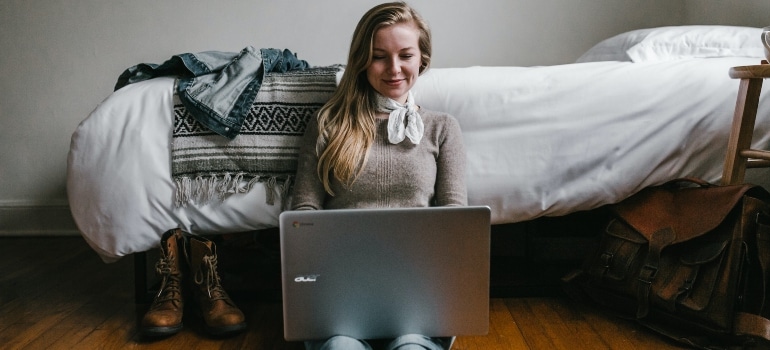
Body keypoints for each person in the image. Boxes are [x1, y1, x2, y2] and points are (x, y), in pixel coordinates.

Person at [291, 2, 467, 349]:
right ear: (361, 60)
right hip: (341, 290)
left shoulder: (442, 128)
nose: (394, 69)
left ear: (423, 59)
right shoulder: (328, 124)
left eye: (405, 55)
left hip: (419, 291)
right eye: (379, 56)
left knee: (411, 347)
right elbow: (304, 212)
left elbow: (456, 224)